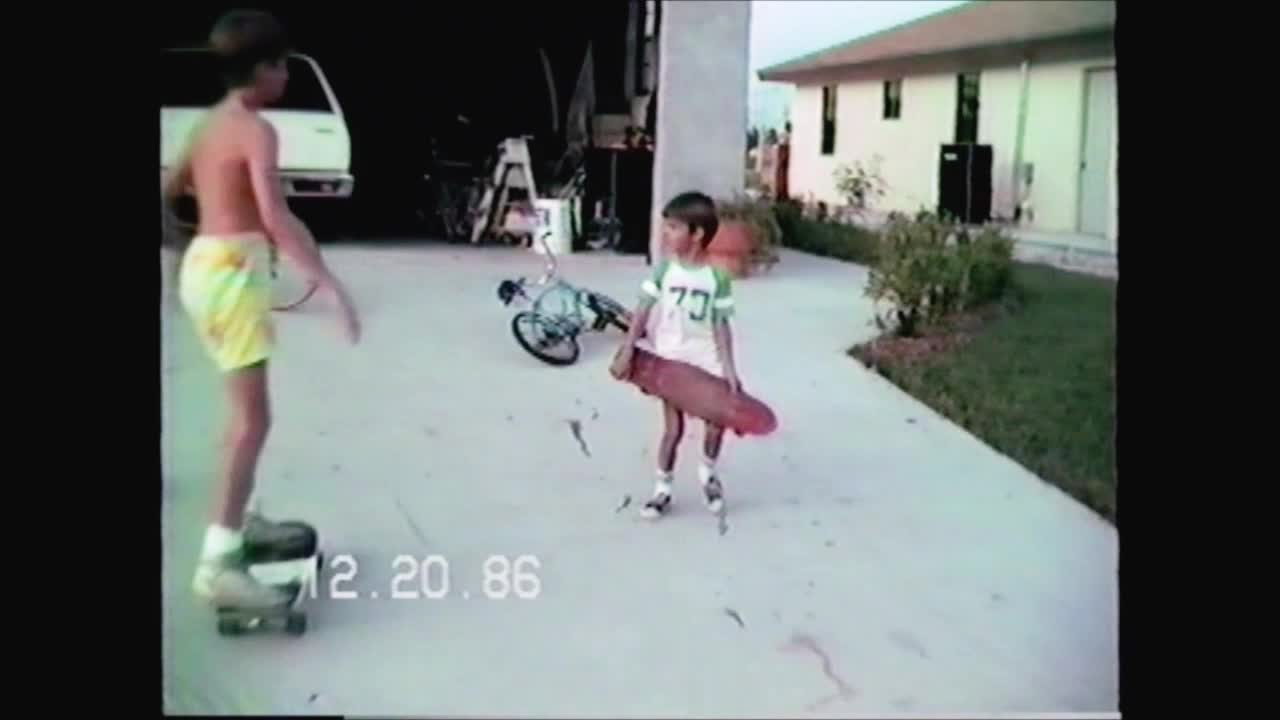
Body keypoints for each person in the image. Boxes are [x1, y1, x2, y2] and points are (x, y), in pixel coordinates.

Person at [160, 10, 361, 608]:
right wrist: (328, 283)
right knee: (252, 422)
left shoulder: (206, 125)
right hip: (233, 275)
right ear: (265, 69)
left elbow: (171, 191)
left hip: (208, 266)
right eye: (283, 65)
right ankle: (218, 562)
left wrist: (189, 247)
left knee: (240, 414)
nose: (287, 78)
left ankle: (239, 520)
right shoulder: (256, 129)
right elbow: (277, 218)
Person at [610, 192, 742, 519]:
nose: (665, 234)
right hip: (672, 358)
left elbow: (722, 324)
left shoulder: (717, 278)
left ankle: (708, 473)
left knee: (717, 422)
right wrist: (628, 350)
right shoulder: (664, 272)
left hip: (706, 358)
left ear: (696, 234)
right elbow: (641, 312)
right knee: (673, 429)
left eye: (672, 227)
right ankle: (662, 490)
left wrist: (729, 368)